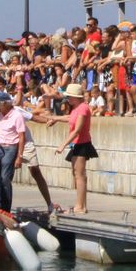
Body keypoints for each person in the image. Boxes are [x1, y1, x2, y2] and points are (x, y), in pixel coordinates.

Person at [62, 81, 96, 215]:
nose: (68, 99)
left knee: (80, 175)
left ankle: (80, 206)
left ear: (76, 97)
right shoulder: (76, 108)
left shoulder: (83, 108)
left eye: (70, 97)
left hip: (82, 143)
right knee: (77, 174)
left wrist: (62, 144)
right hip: (77, 143)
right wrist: (52, 118)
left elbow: (77, 130)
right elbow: (69, 118)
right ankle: (81, 204)